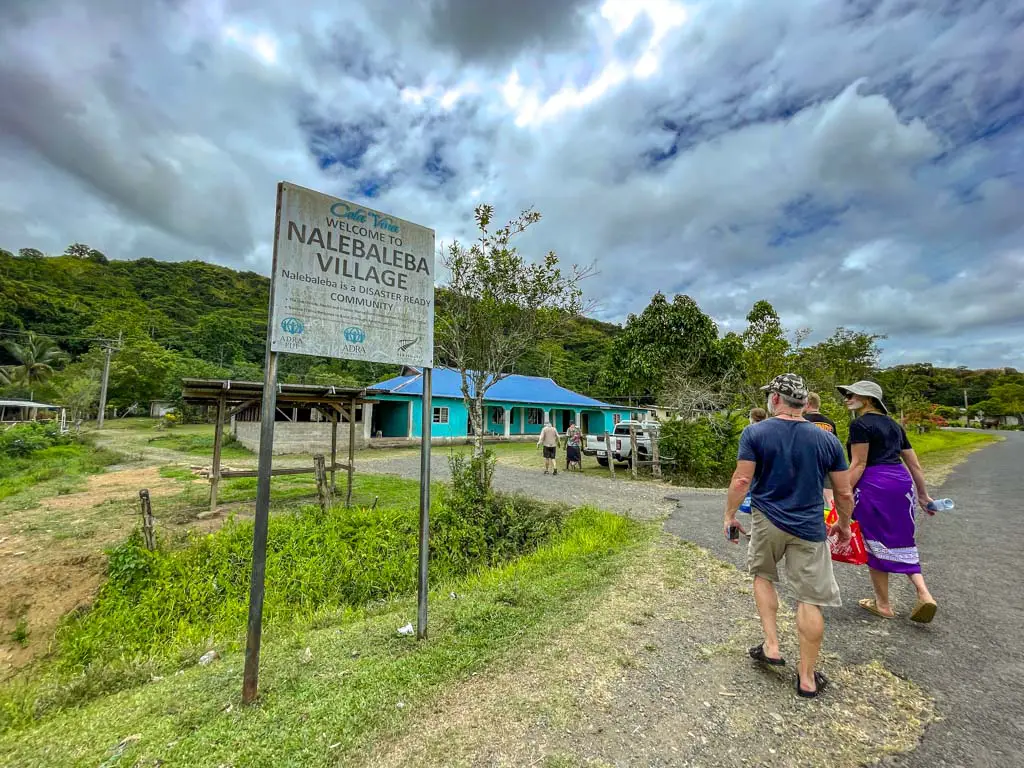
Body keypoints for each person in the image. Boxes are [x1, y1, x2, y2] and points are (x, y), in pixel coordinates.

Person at [725, 373, 854, 699]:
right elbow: (843, 492)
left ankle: (771, 644)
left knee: (762, 576)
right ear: (804, 403)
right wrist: (844, 524)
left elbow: (742, 481)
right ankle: (807, 678)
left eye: (771, 395)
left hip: (767, 521)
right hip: (809, 527)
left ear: (777, 399)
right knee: (810, 598)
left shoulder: (755, 432)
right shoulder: (827, 440)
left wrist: (729, 515)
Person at [838, 380, 938, 623]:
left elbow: (858, 464)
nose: (846, 398)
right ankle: (924, 593)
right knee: (902, 538)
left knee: (874, 541)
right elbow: (914, 464)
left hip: (875, 484)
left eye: (851, 394)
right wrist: (923, 495)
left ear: (869, 399)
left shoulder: (860, 425)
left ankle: (883, 604)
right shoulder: (894, 425)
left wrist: (844, 492)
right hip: (901, 483)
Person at [803, 392, 838, 508]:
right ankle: (833, 517)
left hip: (808, 464)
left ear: (807, 404)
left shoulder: (802, 421)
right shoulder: (829, 422)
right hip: (828, 462)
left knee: (808, 496)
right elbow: (835, 444)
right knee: (830, 497)